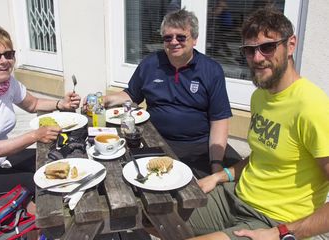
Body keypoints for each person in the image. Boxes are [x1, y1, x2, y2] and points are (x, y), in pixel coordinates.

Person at [186, 7, 329, 240]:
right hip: (235, 197)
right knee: (159, 216)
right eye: (250, 50)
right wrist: (218, 176)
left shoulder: (312, 106)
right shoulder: (260, 96)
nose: (257, 58)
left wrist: (281, 232)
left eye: (267, 47)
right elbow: (262, 157)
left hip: (274, 220)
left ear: (291, 44)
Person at [94, 8, 241, 177]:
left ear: (194, 40)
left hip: (199, 147)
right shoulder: (150, 63)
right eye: (168, 37)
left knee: (236, 180)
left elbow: (219, 120)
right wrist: (106, 99)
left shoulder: (211, 70)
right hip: (156, 140)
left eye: (181, 37)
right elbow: (131, 95)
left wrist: (216, 164)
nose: (174, 42)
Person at [0, 27, 81, 203]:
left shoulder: (7, 84)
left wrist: (60, 103)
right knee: (36, 182)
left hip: (0, 161)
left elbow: (33, 104)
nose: (4, 61)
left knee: (52, 158)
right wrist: (35, 135)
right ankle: (44, 227)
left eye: (8, 54)